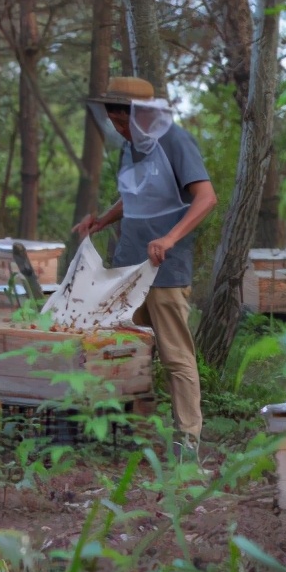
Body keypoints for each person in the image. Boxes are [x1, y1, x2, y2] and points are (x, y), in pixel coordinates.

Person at [73, 76, 218, 460]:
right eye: (115, 123)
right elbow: (134, 194)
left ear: (144, 114)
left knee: (176, 357)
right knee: (124, 350)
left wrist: (170, 239)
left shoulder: (176, 141)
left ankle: (186, 444)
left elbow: (206, 197)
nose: (120, 129)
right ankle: (126, 439)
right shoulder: (129, 147)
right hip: (128, 268)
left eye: (124, 122)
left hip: (165, 273)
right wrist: (102, 220)